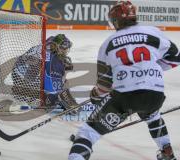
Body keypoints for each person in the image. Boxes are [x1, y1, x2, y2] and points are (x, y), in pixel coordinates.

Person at [68, 1, 179, 160]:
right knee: (152, 115)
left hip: (125, 99)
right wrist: (150, 69)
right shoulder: (153, 32)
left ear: (115, 21)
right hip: (154, 96)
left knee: (88, 132)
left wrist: (95, 95)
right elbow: (176, 57)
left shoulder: (107, 44)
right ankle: (167, 152)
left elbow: (104, 86)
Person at [11, 34, 75, 111]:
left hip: (18, 74)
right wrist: (57, 98)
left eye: (66, 49)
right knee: (61, 85)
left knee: (59, 82)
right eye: (63, 49)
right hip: (24, 79)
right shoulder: (50, 56)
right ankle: (23, 94)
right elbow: (50, 79)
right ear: (56, 46)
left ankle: (21, 92)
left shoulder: (49, 45)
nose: (65, 52)